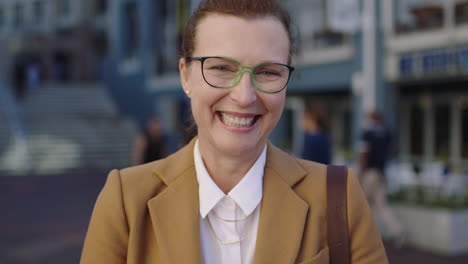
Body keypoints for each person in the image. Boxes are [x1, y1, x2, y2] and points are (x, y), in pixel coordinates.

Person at [81, 0, 388, 263]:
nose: (244, 96)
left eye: (268, 72)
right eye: (221, 68)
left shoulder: (338, 197)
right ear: (186, 76)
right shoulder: (126, 201)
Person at [359, 111, 405, 247]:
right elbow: (391, 151)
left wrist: (361, 174)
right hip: (381, 173)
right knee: (381, 206)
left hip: (370, 173)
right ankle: (398, 230)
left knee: (361, 204)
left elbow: (364, 155)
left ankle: (361, 236)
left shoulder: (368, 134)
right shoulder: (387, 134)